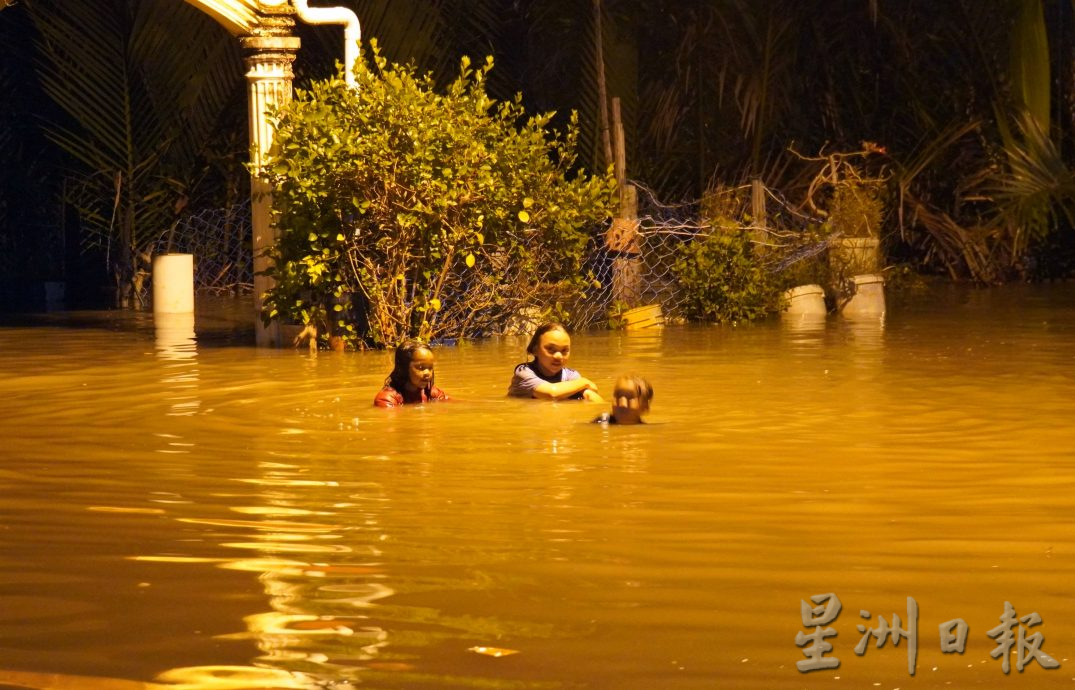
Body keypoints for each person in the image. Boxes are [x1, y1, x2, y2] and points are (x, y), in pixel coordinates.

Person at [507, 322, 603, 401]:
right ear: (535, 350)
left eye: (564, 350)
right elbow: (552, 394)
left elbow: (590, 395)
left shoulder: (571, 376)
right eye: (550, 349)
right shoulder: (524, 373)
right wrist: (585, 382)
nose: (558, 356)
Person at [373, 339, 449, 407]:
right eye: (420, 367)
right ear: (404, 368)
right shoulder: (386, 398)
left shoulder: (431, 393)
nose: (427, 373)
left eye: (430, 368)